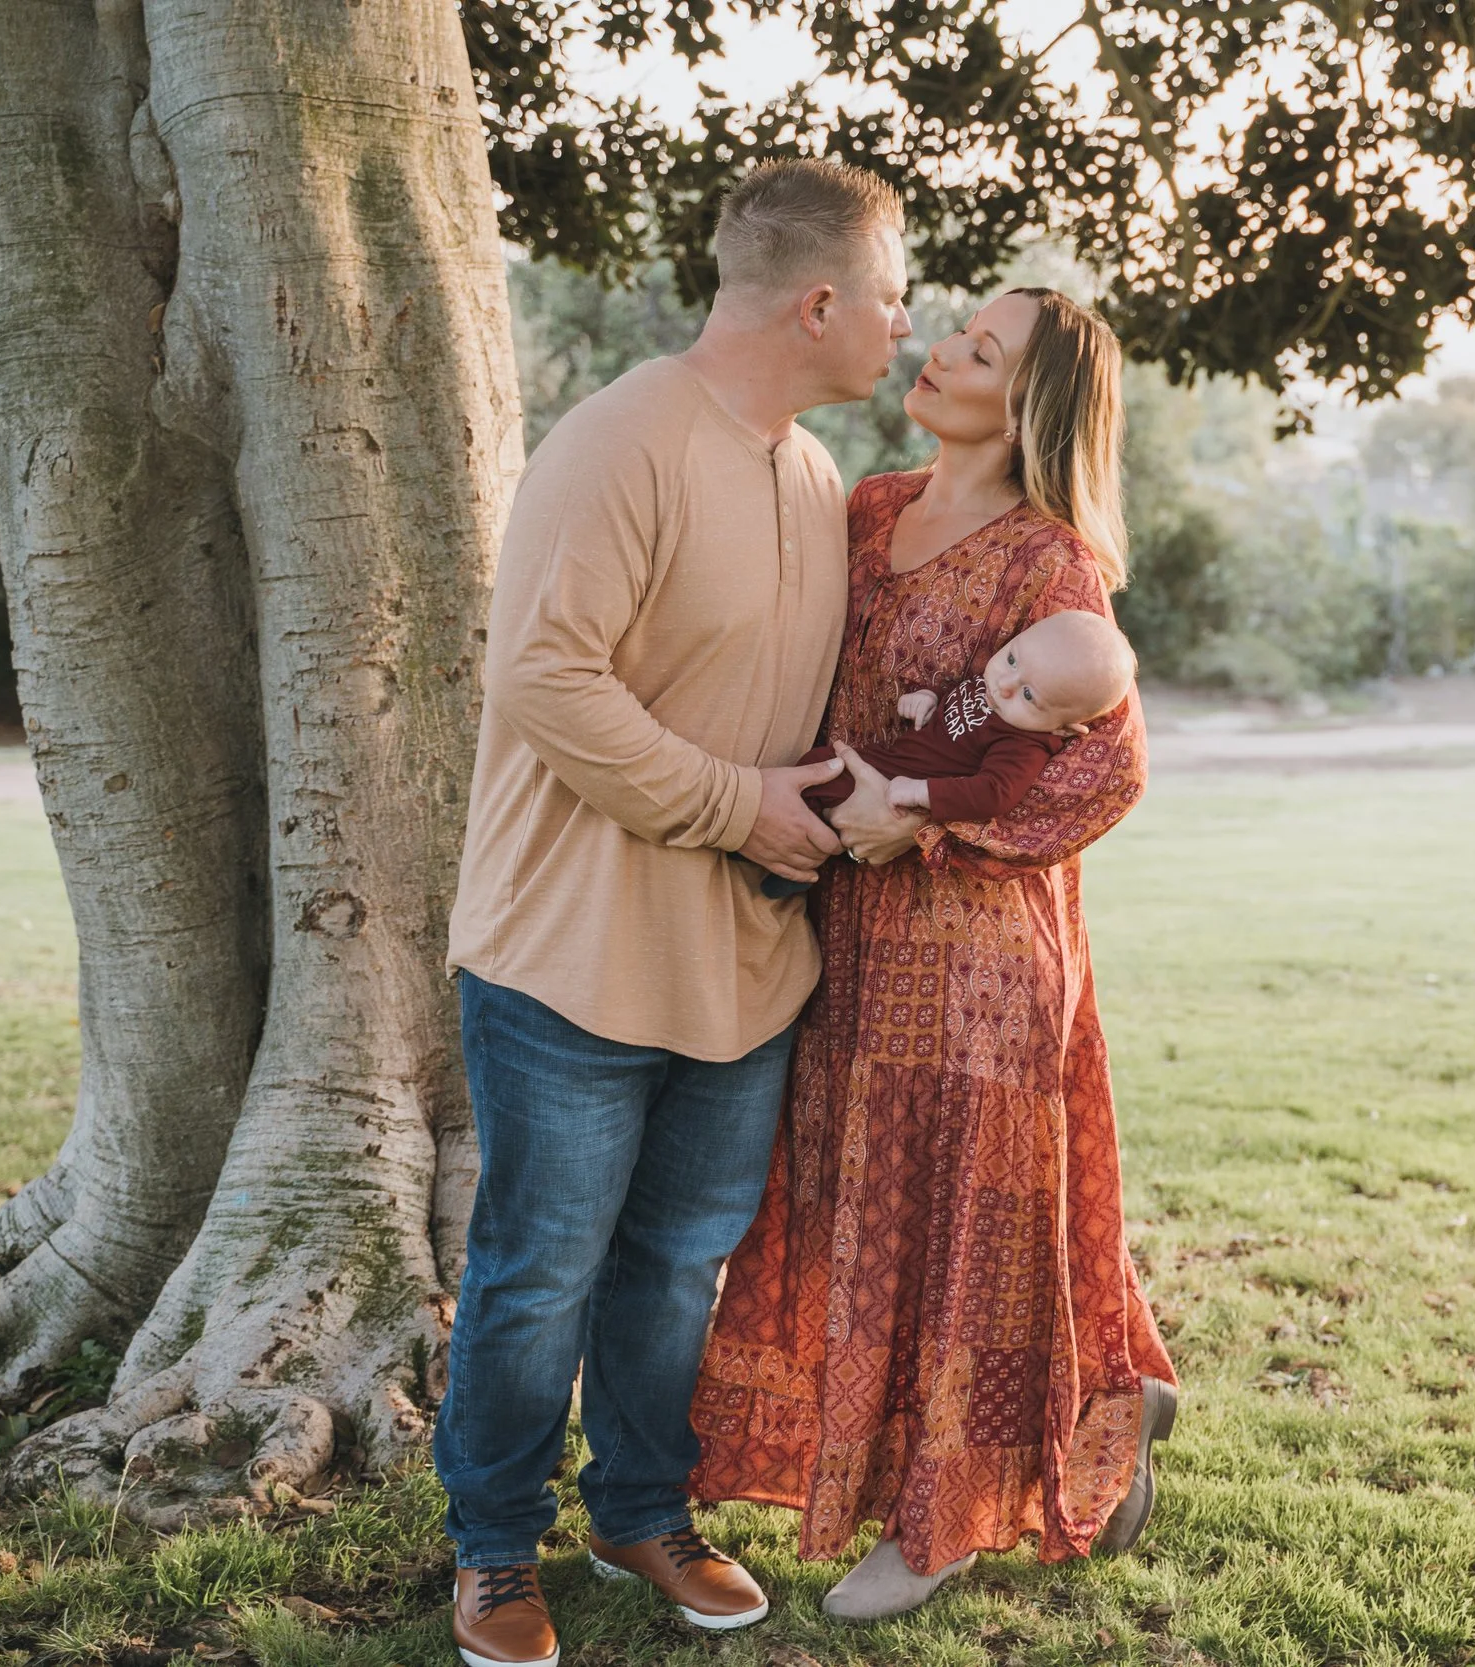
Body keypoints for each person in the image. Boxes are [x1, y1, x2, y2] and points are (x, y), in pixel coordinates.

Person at [435, 161, 911, 1667]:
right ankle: (494, 1547)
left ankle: (643, 1508)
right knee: (538, 1272)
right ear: (819, 301)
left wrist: (846, 790)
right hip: (572, 959)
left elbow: (761, 702)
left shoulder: (815, 476)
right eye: (894, 294)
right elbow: (543, 680)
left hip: (744, 969)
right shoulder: (621, 441)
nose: (905, 323)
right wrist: (736, 800)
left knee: (672, 1268)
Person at [688, 287, 1177, 1623]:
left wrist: (927, 826)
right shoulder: (863, 507)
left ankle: (945, 1515)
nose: (945, 348)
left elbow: (1110, 774)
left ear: (1030, 404)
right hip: (847, 937)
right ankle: (1114, 1376)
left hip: (978, 959)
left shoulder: (1049, 561)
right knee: (867, 1202)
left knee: (968, 1227)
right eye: (958, 326)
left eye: (984, 348)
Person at [757, 608, 1139, 897]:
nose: (1005, 685)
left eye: (1028, 695)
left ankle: (793, 871)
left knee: (823, 790)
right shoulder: (992, 687)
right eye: (1011, 659)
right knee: (815, 765)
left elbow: (994, 794)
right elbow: (954, 714)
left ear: (1063, 727)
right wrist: (927, 700)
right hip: (888, 761)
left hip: (894, 786)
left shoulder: (1022, 744)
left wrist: (921, 793)